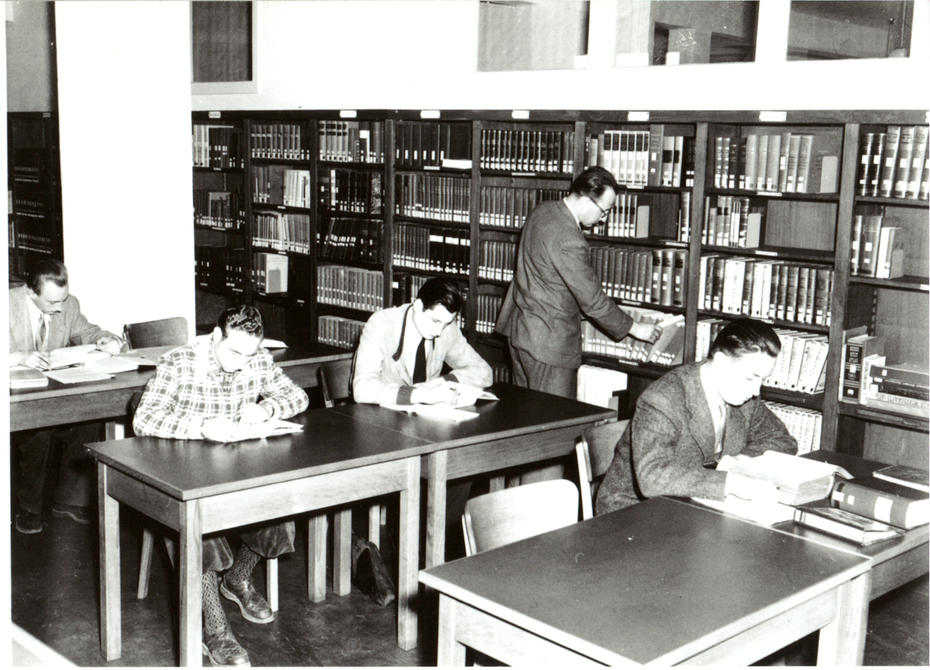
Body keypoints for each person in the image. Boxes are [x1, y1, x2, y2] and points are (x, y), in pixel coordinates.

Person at [133, 304, 308, 668]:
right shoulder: (179, 362)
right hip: (180, 471)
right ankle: (214, 625)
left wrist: (267, 409)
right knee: (200, 524)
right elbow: (145, 418)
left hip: (233, 466)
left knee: (281, 501)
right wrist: (201, 427)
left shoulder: (255, 359)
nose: (241, 363)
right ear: (215, 336)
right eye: (233, 352)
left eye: (249, 354)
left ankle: (238, 578)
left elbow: (298, 396)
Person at [595, 318, 798, 515]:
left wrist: (739, 461)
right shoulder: (662, 398)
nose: (756, 390)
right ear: (721, 362)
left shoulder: (743, 394)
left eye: (763, 379)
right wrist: (730, 482)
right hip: (633, 513)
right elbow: (652, 477)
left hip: (692, 507)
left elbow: (782, 440)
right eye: (751, 377)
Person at [352, 277, 492, 562]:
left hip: (424, 425)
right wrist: (417, 394)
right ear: (417, 306)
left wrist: (446, 382)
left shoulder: (445, 328)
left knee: (461, 465)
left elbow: (483, 371)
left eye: (447, 323)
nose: (439, 331)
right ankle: (412, 550)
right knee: (434, 467)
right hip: (380, 425)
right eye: (434, 322)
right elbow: (362, 389)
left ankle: (431, 550)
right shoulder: (382, 324)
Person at [496, 165, 661, 399]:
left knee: (526, 419)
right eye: (604, 211)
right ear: (585, 201)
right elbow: (592, 300)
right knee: (555, 424)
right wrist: (636, 328)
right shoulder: (569, 239)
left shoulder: (543, 211)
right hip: (548, 346)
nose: (603, 220)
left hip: (521, 333)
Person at [9, 259, 123, 534]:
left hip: (51, 388)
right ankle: (28, 510)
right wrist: (19, 357)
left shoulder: (68, 304)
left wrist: (106, 339)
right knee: (38, 432)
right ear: (30, 292)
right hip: (16, 395)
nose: (59, 308)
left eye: (62, 299)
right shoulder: (7, 305)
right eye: (51, 303)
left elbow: (87, 331)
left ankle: (69, 501)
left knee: (89, 417)